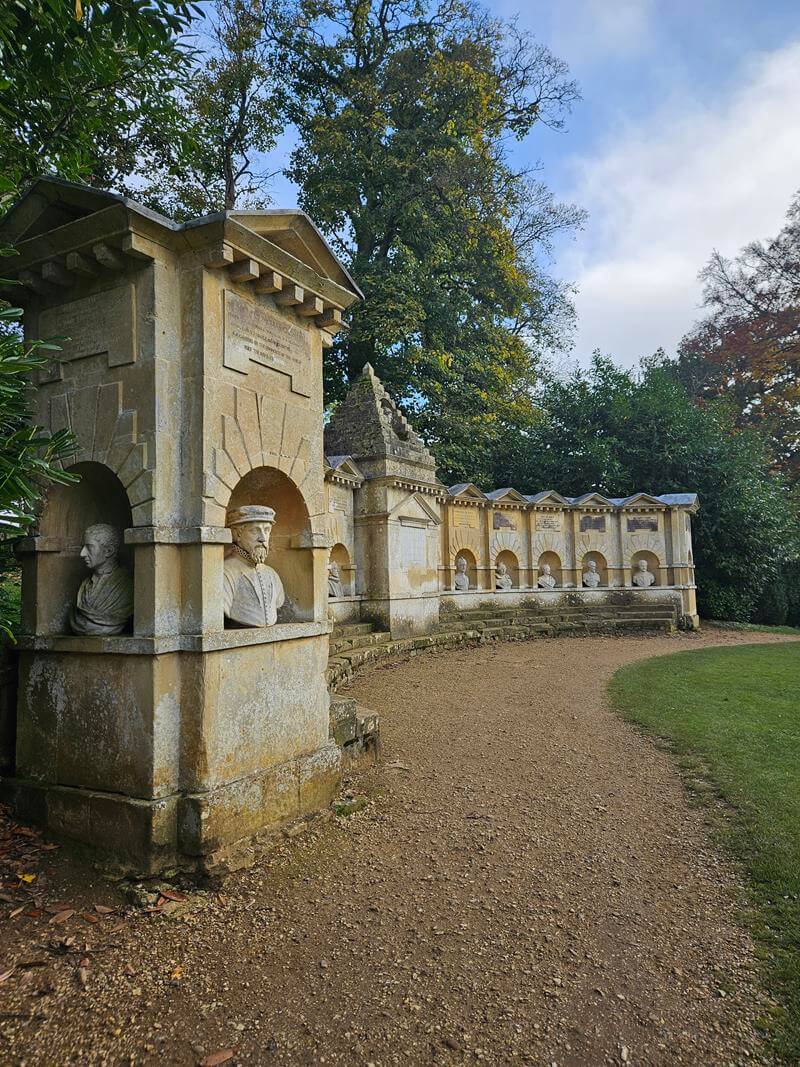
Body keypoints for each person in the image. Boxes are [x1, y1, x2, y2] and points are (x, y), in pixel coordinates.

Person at [223, 505, 285, 627]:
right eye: (255, 531)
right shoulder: (225, 572)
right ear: (237, 534)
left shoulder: (272, 574)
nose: (263, 538)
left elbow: (279, 603)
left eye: (266, 530)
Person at [69, 523, 133, 635]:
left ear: (108, 551)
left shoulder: (127, 586)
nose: (82, 553)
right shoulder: (85, 585)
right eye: (83, 547)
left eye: (89, 547)